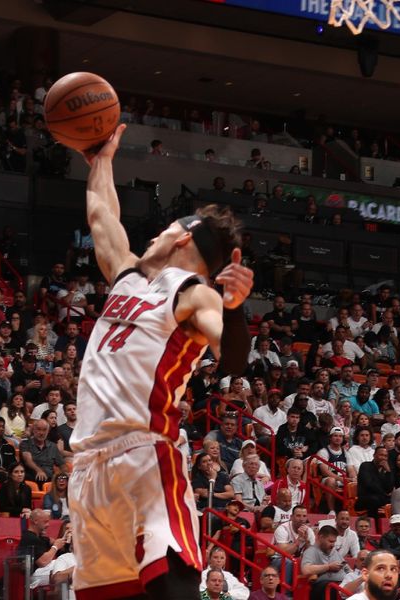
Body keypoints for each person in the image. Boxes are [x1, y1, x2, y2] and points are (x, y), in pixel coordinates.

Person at [67, 124, 253, 599]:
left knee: (174, 590)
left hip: (144, 456)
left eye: (164, 228)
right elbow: (102, 216)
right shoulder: (128, 279)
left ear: (180, 237)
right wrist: (101, 159)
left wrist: (235, 309)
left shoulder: (194, 293)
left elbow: (231, 358)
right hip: (87, 469)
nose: (153, 234)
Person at [301, 525, 352, 600]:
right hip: (325, 587)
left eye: (334, 542)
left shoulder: (334, 551)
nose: (333, 545)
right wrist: (328, 567)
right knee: (333, 588)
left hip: (342, 583)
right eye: (330, 541)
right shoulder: (311, 551)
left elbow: (348, 569)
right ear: (321, 537)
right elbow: (306, 570)